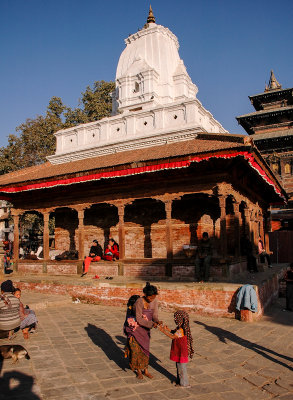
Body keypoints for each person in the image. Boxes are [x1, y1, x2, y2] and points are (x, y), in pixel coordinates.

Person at [124, 282, 162, 380]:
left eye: (153, 297)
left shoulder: (154, 302)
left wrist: (157, 321)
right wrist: (151, 324)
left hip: (145, 331)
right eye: (150, 297)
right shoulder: (139, 302)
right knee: (136, 351)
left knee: (145, 351)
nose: (151, 299)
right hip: (136, 330)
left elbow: (154, 315)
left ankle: (146, 370)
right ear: (146, 295)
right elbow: (139, 319)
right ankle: (138, 371)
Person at [158, 310, 193, 388]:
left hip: (181, 351)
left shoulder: (181, 330)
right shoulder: (181, 328)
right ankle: (179, 381)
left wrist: (163, 331)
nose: (174, 319)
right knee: (179, 366)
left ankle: (184, 384)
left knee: (182, 367)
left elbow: (172, 336)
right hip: (180, 350)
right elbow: (174, 332)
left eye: (175, 318)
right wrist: (168, 329)